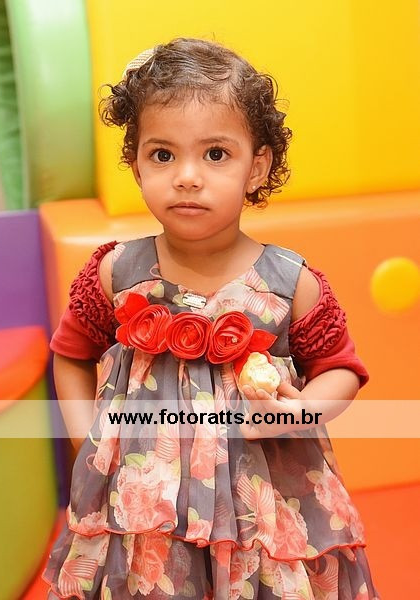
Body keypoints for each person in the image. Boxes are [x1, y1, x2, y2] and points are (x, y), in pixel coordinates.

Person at [43, 38, 380, 599]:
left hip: (263, 507)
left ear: (257, 167)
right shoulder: (116, 274)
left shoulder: (290, 283)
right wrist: (88, 441)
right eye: (162, 155)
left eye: (216, 154)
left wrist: (300, 412)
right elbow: (71, 354)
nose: (187, 176)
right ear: (136, 165)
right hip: (143, 507)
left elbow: (341, 368)